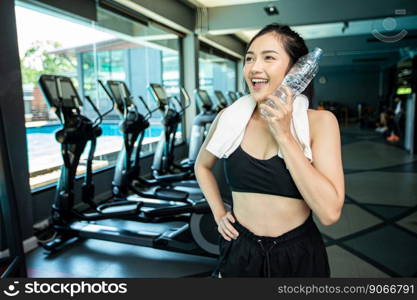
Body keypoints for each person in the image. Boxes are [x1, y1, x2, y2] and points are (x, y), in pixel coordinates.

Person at [194, 23, 344, 278]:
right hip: (240, 250)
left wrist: (284, 134)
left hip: (296, 254)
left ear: (296, 70)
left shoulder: (320, 123)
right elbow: (202, 165)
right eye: (249, 58)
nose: (254, 68)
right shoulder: (228, 118)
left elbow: (330, 213)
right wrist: (219, 213)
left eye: (269, 58)